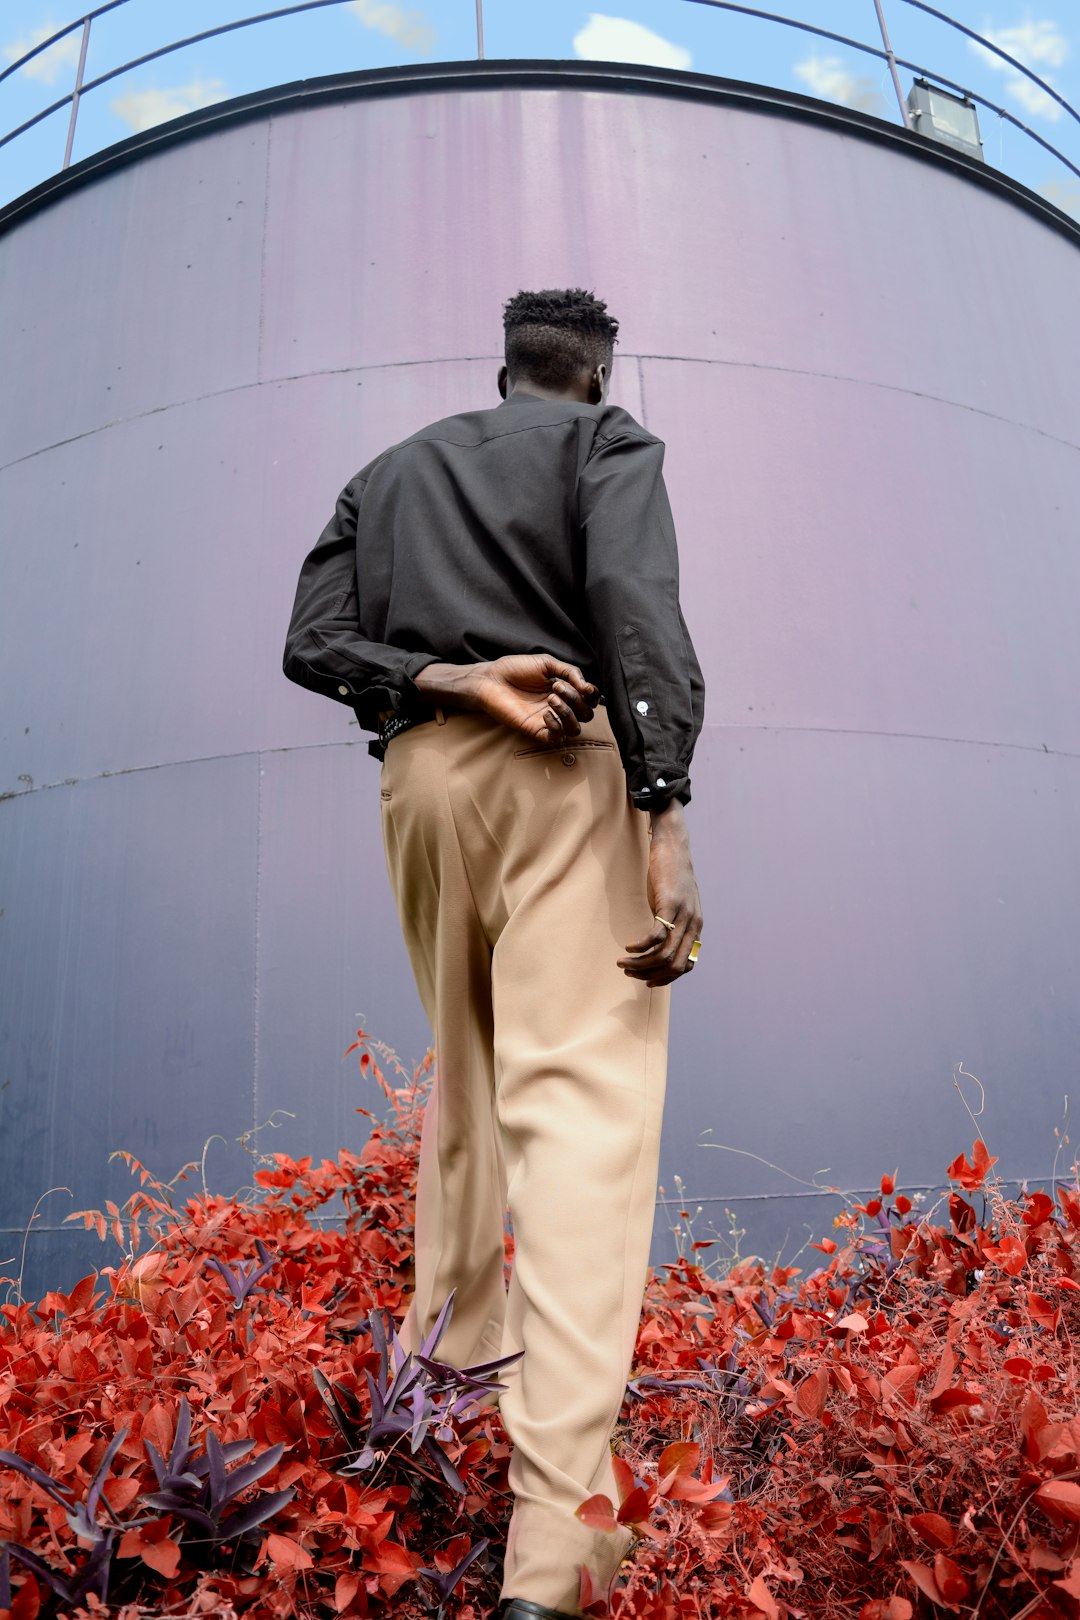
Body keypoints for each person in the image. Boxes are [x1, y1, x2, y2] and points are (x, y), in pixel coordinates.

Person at [283, 288, 704, 1619]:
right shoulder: (607, 446)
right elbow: (634, 608)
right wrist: (664, 809)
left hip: (421, 785)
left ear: (504, 370)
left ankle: (433, 1423)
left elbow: (310, 643)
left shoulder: (388, 471)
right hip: (556, 764)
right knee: (582, 1115)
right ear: (592, 373)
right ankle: (553, 1557)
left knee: (465, 1090)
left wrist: (450, 680)